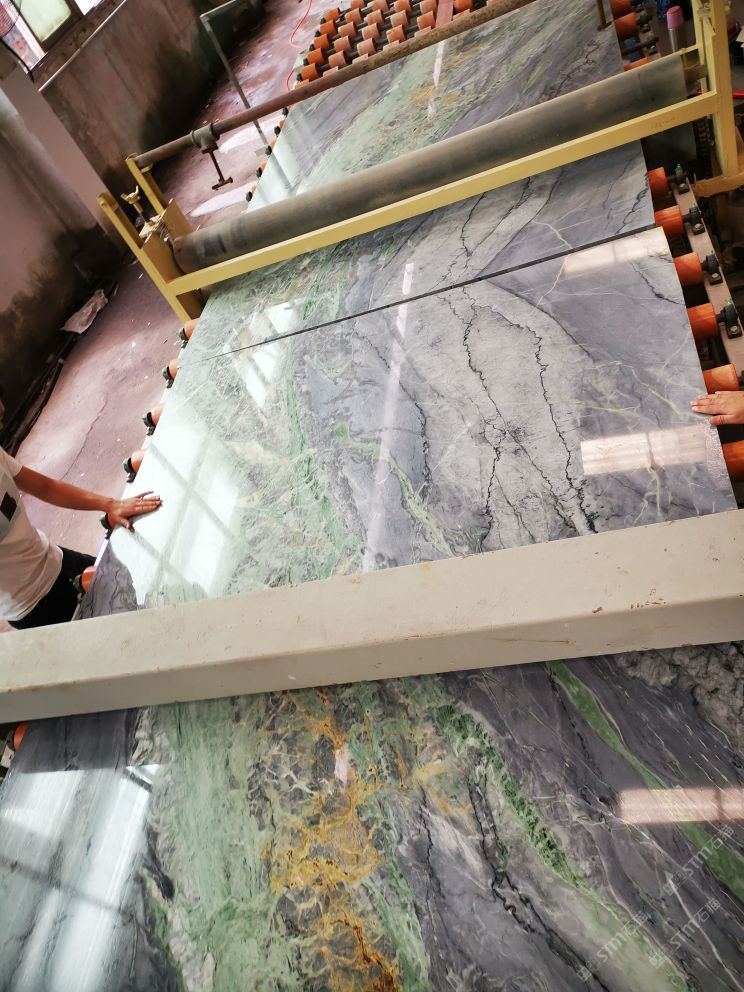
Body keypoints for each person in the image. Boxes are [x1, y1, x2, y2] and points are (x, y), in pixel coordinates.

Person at [0, 445, 160, 630]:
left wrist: (110, 505)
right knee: (121, 634)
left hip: (55, 559)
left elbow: (46, 488)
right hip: (32, 606)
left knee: (134, 597)